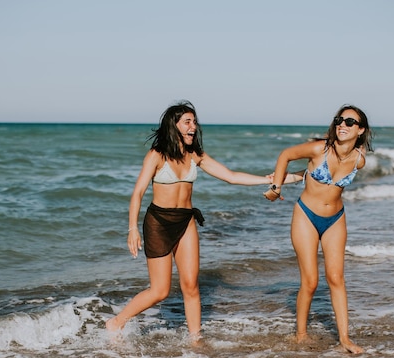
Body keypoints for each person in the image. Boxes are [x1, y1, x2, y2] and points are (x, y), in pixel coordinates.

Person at [106, 100, 271, 342]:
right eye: (187, 122)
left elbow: (232, 176)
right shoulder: (157, 155)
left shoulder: (196, 155)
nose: (193, 126)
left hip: (185, 221)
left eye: (194, 121)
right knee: (160, 290)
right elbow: (138, 192)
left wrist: (270, 179)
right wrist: (132, 229)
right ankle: (116, 322)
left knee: (191, 285)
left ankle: (196, 339)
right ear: (174, 126)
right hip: (159, 223)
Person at [264, 104, 373, 354]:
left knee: (336, 278)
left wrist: (296, 176)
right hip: (306, 215)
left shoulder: (359, 161)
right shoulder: (319, 149)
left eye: (349, 122)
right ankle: (301, 334)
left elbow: (311, 174)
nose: (342, 125)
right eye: (339, 120)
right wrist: (276, 187)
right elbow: (286, 154)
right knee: (311, 281)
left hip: (336, 218)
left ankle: (345, 338)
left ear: (361, 130)